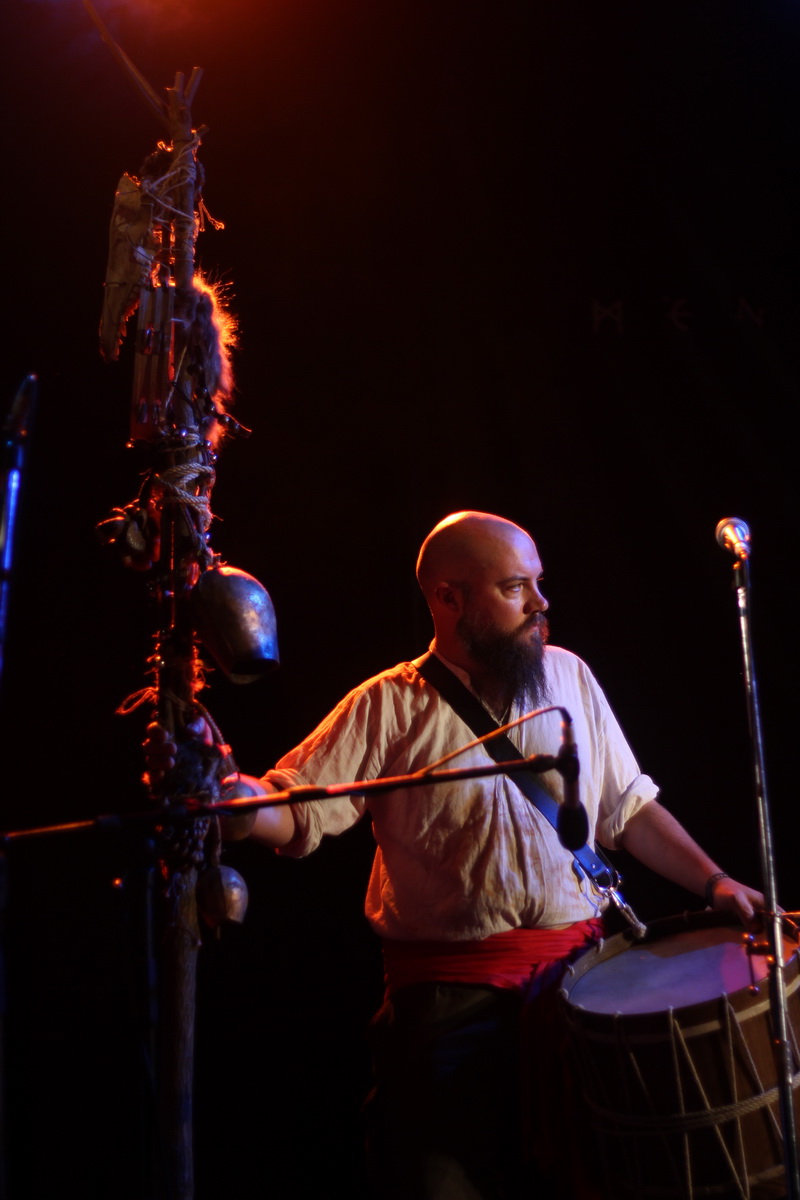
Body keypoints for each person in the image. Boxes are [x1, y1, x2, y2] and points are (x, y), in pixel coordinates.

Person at [147, 510, 764, 1199]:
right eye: (514, 588)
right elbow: (295, 808)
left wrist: (715, 882)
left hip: (582, 993)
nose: (540, 603)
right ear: (449, 598)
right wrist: (229, 796)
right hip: (447, 1014)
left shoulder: (570, 677)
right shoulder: (388, 704)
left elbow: (629, 810)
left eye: (537, 583)